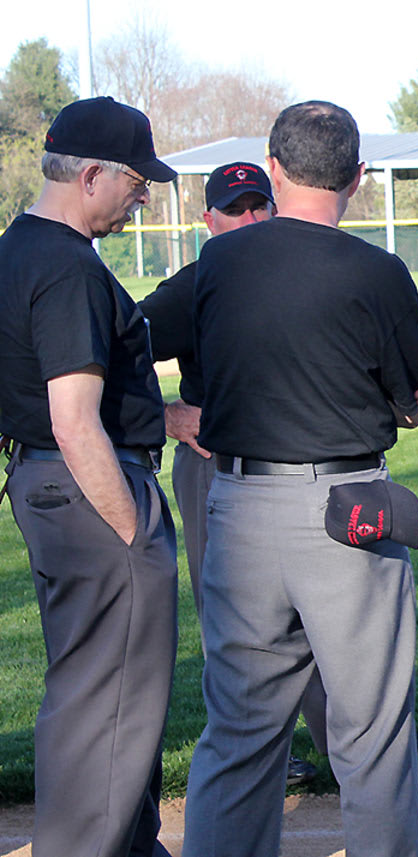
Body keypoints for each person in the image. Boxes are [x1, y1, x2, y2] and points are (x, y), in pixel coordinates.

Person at [182, 101, 418, 857]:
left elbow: (151, 339)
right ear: (358, 178)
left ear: (273, 167)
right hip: (345, 509)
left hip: (238, 506)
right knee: (370, 734)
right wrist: (415, 398)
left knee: (239, 730)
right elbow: (406, 401)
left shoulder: (216, 262)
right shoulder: (378, 270)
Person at [0, 95, 178, 857]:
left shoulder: (16, 248)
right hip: (91, 497)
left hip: (44, 485)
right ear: (94, 174)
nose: (143, 199)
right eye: (137, 182)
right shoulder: (67, 265)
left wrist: (162, 418)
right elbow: (75, 418)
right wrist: (133, 528)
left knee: (96, 694)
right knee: (108, 704)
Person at [138, 162, 328, 786]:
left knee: (321, 610)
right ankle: (262, 752)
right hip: (216, 465)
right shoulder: (194, 286)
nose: (248, 219)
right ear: (208, 221)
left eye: (258, 206)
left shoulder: (302, 270)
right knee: (237, 620)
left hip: (304, 461)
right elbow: (109, 351)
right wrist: (165, 414)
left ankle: (347, 743)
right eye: (234, 208)